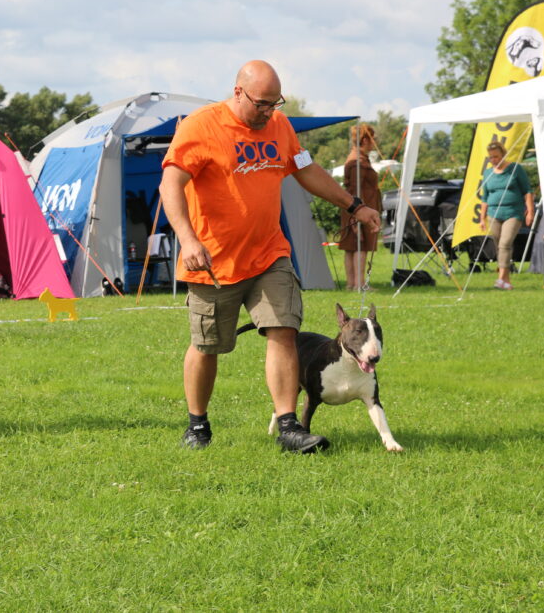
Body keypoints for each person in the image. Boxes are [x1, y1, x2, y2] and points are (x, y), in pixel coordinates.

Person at [159, 60, 381, 454]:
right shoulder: (201, 126)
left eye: (275, 103)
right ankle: (197, 425)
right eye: (262, 103)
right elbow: (170, 184)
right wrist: (188, 240)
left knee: (283, 331)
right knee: (207, 346)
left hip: (269, 254)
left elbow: (306, 170)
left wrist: (355, 206)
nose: (268, 112)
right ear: (238, 91)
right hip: (214, 260)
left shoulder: (279, 127)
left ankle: (289, 426)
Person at [478, 141, 534, 290]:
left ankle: (501, 278)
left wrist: (530, 211)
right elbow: (485, 198)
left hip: (513, 213)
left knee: (505, 243)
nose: (494, 160)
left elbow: (527, 191)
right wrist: (481, 218)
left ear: (503, 154)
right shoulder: (488, 173)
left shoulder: (515, 169)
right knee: (499, 247)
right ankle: (507, 281)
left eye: (496, 157)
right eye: (491, 157)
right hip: (493, 214)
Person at [340, 123, 382, 290]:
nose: (374, 143)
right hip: (358, 209)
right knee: (360, 245)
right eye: (373, 139)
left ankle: (352, 284)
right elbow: (355, 190)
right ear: (365, 140)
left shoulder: (357, 159)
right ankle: (359, 284)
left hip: (352, 209)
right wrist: (357, 213)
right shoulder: (357, 162)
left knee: (351, 247)